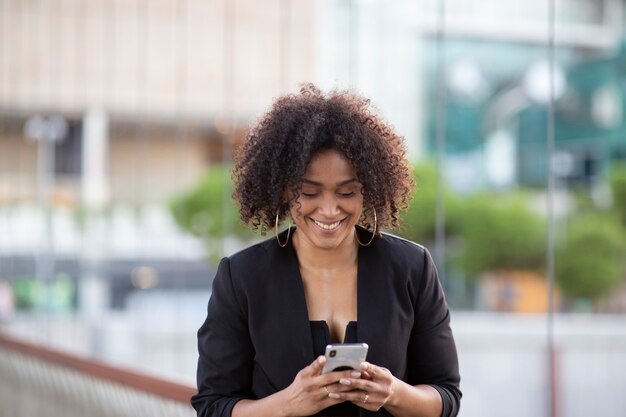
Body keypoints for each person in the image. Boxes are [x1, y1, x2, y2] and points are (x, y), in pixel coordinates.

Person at [191, 84, 461, 417]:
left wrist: (393, 393)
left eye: (346, 192)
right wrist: (287, 405)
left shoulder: (411, 267)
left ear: (369, 192)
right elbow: (213, 406)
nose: (329, 210)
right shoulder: (242, 277)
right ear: (283, 191)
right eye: (310, 192)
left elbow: (446, 397)